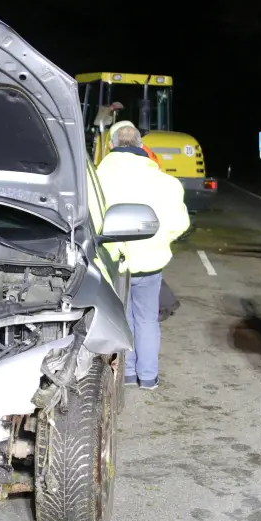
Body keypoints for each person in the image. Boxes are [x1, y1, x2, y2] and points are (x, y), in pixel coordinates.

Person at [96, 122, 190, 390]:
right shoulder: (166, 182)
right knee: (146, 319)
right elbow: (179, 224)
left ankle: (125, 373)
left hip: (112, 264)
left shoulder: (96, 179)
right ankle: (147, 377)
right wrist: (159, 240)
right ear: (140, 146)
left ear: (112, 146)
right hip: (150, 263)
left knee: (121, 318)